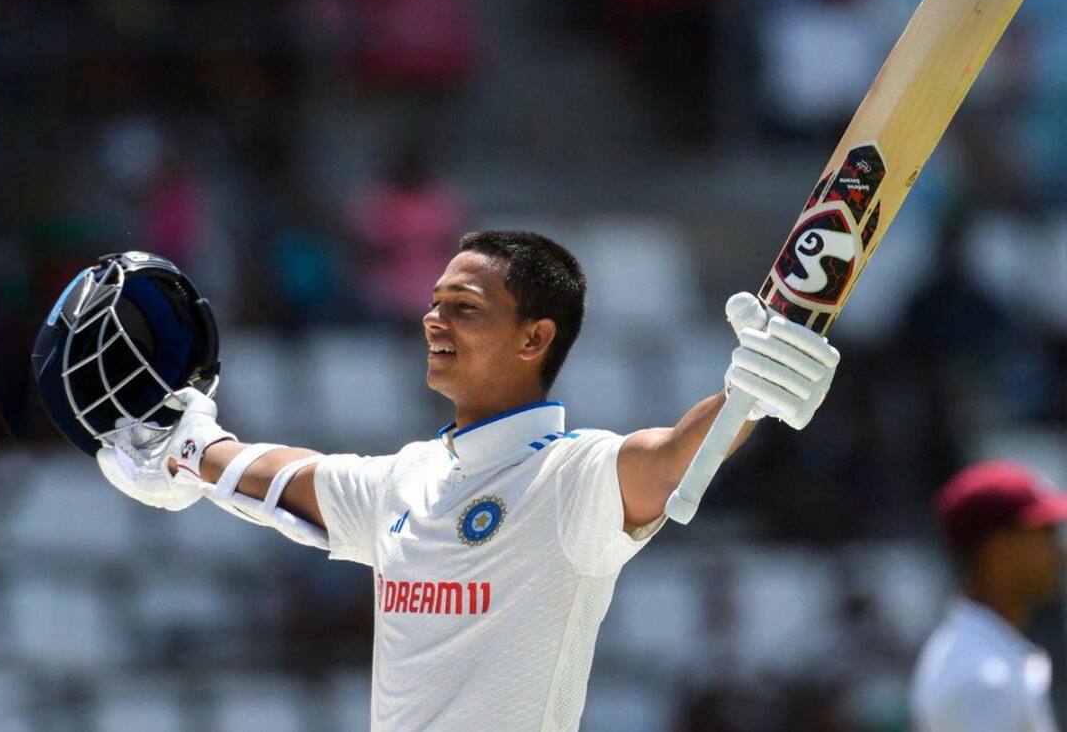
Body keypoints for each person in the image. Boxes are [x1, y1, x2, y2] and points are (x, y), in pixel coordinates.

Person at [92, 230, 840, 732]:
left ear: (534, 338)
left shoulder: (570, 477)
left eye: (464, 309)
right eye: (434, 303)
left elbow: (670, 455)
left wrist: (746, 398)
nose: (433, 320)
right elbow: (284, 477)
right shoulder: (405, 479)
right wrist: (185, 448)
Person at [911, 460, 1067, 732]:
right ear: (998, 550)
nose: (1060, 553)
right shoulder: (985, 681)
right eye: (1045, 534)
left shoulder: (983, 653)